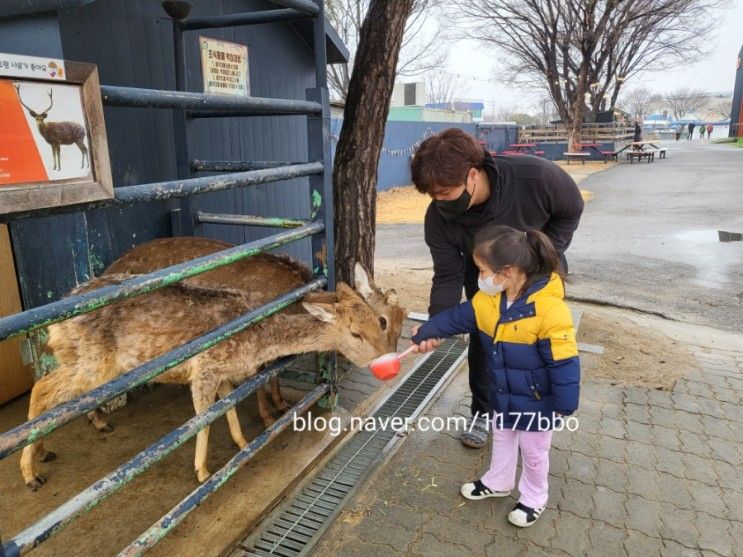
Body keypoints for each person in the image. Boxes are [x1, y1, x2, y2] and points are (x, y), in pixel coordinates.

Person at [410, 128, 583, 449]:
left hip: (537, 276)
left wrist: (542, 255)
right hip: (484, 279)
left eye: (446, 192)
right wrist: (436, 324)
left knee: (536, 346)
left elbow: (570, 209)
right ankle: (483, 411)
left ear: (472, 175)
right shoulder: (439, 217)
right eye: (432, 195)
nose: (438, 202)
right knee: (485, 342)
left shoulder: (537, 177)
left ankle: (536, 411)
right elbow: (447, 274)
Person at [411, 224, 580, 528]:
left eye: (482, 270)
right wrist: (426, 331)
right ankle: (498, 481)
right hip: (501, 392)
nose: (480, 277)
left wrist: (565, 404)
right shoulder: (487, 300)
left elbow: (564, 362)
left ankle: (533, 497)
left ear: (507, 271)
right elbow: (455, 318)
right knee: (502, 437)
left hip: (538, 401)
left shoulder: (550, 310)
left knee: (533, 452)